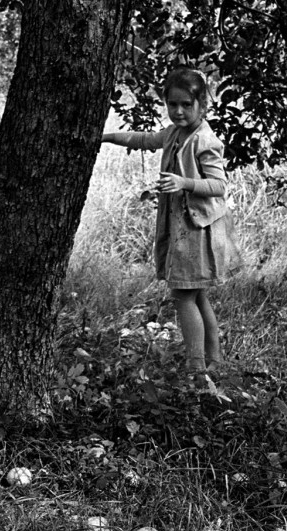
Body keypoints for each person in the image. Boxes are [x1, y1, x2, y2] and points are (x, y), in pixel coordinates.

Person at [101, 67, 239, 387]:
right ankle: (214, 361)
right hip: (182, 226)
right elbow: (144, 139)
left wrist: (184, 183)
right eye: (171, 104)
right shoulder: (174, 133)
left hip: (196, 229)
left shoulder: (205, 140)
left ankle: (196, 369)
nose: (178, 111)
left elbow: (218, 185)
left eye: (185, 105)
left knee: (182, 295)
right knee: (197, 295)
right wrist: (107, 137)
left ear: (202, 104)